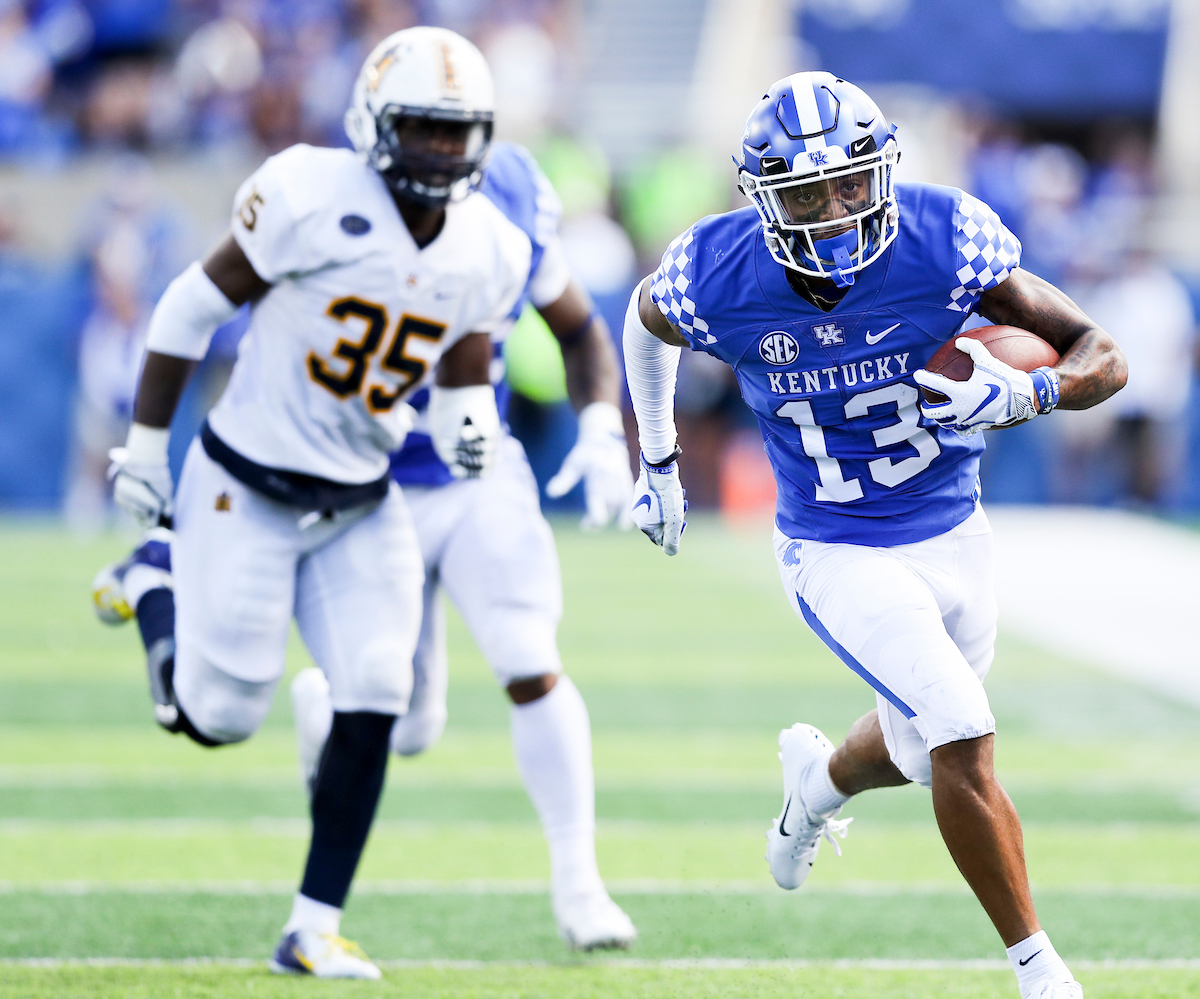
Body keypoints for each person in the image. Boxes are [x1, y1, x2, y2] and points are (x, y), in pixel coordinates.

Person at [623, 72, 1126, 999]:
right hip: (836, 543)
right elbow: (644, 321)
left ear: (884, 170)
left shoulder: (945, 236)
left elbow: (1102, 352)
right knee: (960, 729)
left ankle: (815, 782)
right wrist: (656, 457)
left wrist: (1030, 390)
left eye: (852, 183)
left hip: (953, 526)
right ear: (763, 197)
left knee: (910, 743)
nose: (836, 210)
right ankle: (1041, 972)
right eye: (808, 193)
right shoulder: (718, 268)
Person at [90, 27, 531, 978]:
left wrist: (466, 427)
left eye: (459, 134)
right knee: (215, 716)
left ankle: (312, 924)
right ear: (376, 123)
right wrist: (144, 444)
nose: (442, 153)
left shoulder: (491, 244)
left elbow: (461, 378)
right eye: (423, 129)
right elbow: (186, 310)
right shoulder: (307, 192)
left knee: (382, 685)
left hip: (361, 500)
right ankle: (153, 582)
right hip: (242, 486)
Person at [289, 137, 638, 950]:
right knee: (409, 727)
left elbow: (579, 325)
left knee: (528, 655)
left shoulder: (511, 191)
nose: (441, 158)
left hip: (478, 470)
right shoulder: (337, 199)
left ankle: (580, 888)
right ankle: (326, 708)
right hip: (370, 482)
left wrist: (600, 428)